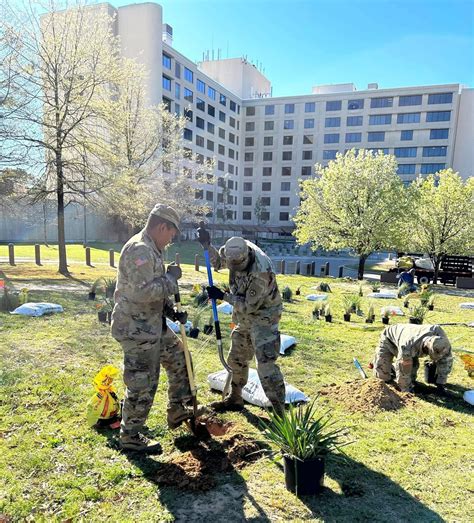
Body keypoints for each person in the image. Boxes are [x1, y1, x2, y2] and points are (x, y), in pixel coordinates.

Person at [111, 204, 195, 453]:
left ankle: (177, 409)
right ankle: (131, 436)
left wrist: (171, 311)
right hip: (136, 329)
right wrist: (171, 280)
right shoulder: (141, 250)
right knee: (143, 381)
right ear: (162, 227)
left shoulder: (153, 248)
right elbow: (143, 292)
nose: (172, 239)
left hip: (152, 325)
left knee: (180, 357)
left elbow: (154, 291)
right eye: (171, 233)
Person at [197, 225, 286, 415]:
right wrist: (207, 245)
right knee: (237, 357)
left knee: (266, 365)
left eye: (238, 266)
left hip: (264, 316)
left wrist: (223, 295)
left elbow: (249, 305)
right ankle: (235, 398)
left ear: (246, 257)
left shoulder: (260, 271)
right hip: (243, 315)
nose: (234, 269)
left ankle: (280, 414)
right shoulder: (232, 250)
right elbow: (219, 263)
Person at [373, 323, 453, 393]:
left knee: (412, 376)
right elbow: (403, 371)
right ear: (426, 348)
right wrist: (406, 390)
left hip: (411, 341)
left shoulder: (441, 336)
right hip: (389, 338)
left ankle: (395, 371)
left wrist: (440, 382)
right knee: (382, 375)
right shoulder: (408, 346)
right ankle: (389, 374)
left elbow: (446, 360)